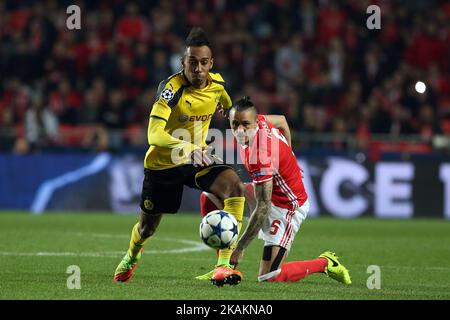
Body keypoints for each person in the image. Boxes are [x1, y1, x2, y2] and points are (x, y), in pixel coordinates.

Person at [114, 27, 246, 286]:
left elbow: (228, 103)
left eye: (203, 63)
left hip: (196, 160)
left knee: (235, 187)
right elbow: (154, 134)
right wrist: (188, 148)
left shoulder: (218, 84)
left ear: (211, 63)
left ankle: (223, 265)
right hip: (163, 164)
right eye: (192, 62)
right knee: (146, 229)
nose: (198, 68)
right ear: (183, 62)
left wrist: (229, 113)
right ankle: (132, 255)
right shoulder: (170, 89)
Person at [199, 96, 352, 284]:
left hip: (286, 207)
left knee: (269, 277)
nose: (239, 130)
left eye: (245, 124)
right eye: (235, 124)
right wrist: (290, 154)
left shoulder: (260, 154)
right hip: (263, 193)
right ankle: (223, 266)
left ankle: (325, 263)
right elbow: (281, 120)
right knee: (210, 195)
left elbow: (263, 208)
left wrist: (240, 247)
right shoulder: (260, 121)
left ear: (255, 123)